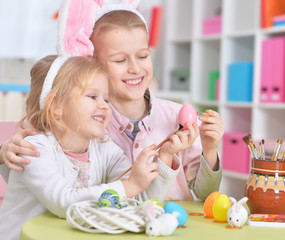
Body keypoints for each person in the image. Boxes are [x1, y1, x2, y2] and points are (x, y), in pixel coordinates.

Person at [0, 1, 224, 201]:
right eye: (120, 60)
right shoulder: (79, 121)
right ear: (93, 64)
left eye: (143, 56)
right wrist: (4, 152)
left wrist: (209, 149)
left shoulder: (176, 116)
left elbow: (203, 193)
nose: (135, 68)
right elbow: (29, 168)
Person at [0, 55, 196, 240]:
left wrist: (165, 157)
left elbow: (138, 202)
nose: (104, 105)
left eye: (107, 99)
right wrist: (130, 185)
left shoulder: (106, 150)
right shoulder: (34, 149)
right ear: (56, 106)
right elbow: (63, 202)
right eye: (93, 97)